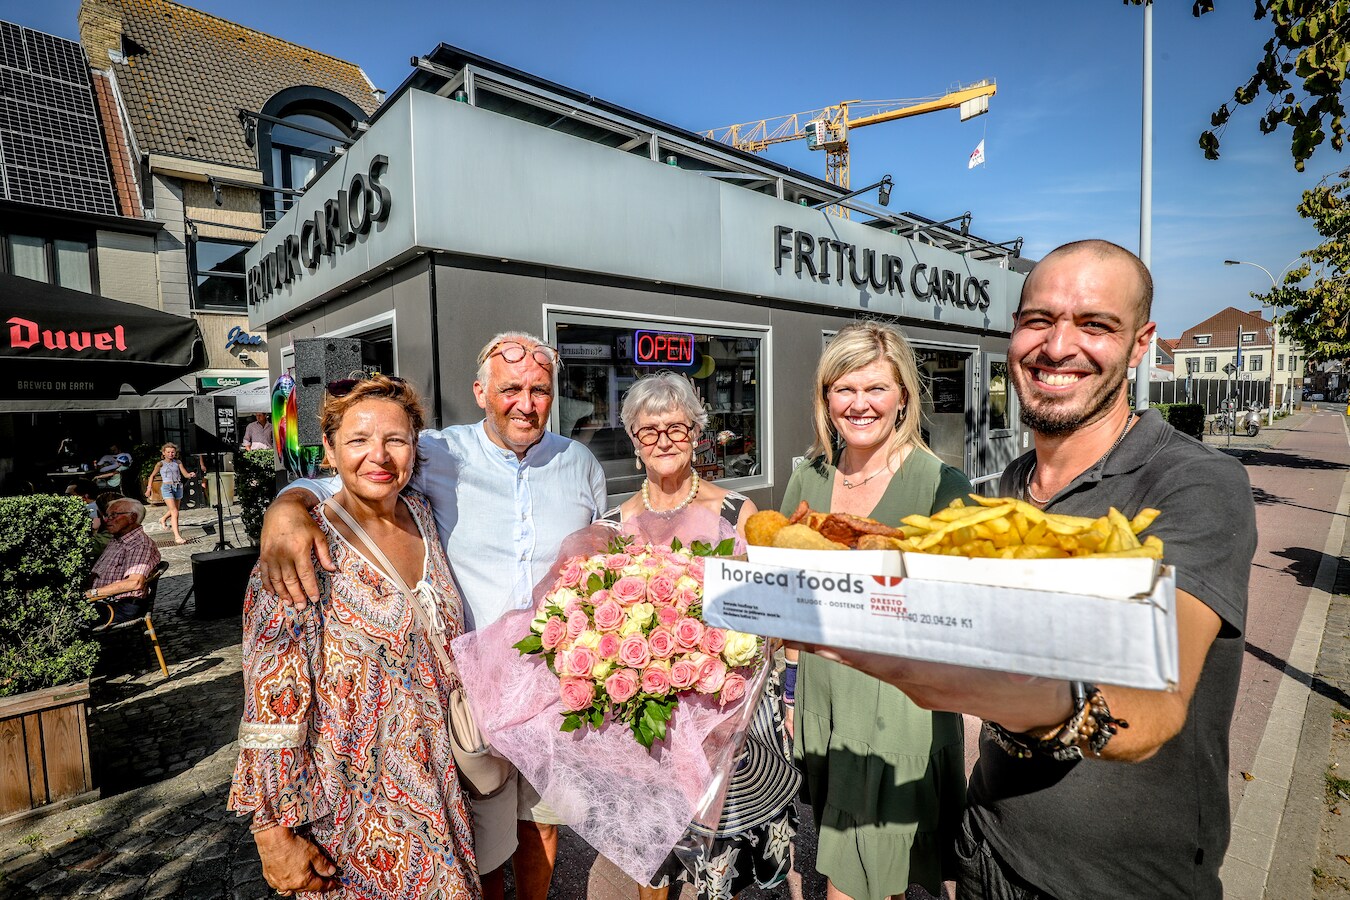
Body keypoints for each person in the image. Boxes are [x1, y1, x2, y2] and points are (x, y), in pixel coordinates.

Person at [796, 241, 1257, 899]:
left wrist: (955, 686)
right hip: (988, 851)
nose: (1058, 345)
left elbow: (1154, 704)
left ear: (1140, 343)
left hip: (1115, 885)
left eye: (1095, 324)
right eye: (1038, 319)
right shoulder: (1010, 487)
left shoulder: (1193, 484)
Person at [257, 331, 607, 900]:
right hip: (471, 700)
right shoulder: (436, 453)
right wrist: (285, 505)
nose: (526, 402)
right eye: (510, 388)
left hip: (555, 692)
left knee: (544, 826)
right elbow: (352, 475)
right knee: (486, 842)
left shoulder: (580, 462)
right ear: (479, 392)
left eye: (539, 389)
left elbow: (603, 539)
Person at [229, 373, 481, 899]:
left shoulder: (423, 516)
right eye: (359, 440)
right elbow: (272, 702)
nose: (379, 456)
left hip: (438, 787)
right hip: (350, 810)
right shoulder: (302, 546)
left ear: (415, 446)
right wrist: (272, 833)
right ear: (330, 450)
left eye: (395, 439)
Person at [779, 321, 969, 900]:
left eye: (876, 389)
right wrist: (790, 686)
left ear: (903, 397)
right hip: (823, 698)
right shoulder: (807, 477)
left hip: (896, 706)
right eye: (844, 389)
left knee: (854, 877)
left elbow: (958, 617)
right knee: (863, 866)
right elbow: (788, 597)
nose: (859, 404)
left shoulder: (942, 486)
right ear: (826, 398)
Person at [601, 371, 798, 900]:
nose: (663, 440)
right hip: (651, 724)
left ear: (697, 432)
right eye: (649, 430)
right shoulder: (614, 523)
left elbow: (771, 617)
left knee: (722, 869)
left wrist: (785, 690)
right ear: (633, 439)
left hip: (727, 718)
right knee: (654, 861)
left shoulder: (736, 514)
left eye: (677, 427)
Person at [82, 498, 161, 627]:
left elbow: (135, 583)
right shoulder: (117, 539)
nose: (107, 520)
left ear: (132, 517)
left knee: (63, 618)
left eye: (114, 515)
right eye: (107, 515)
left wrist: (93, 593)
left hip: (118, 606)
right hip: (104, 601)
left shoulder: (138, 544)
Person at [145, 442, 196, 545]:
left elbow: (185, 474)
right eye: (168, 452)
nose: (170, 454)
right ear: (164, 453)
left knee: (175, 510)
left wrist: (190, 474)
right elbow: (152, 476)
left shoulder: (178, 462)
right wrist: (149, 489)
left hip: (178, 487)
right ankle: (177, 537)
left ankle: (163, 519)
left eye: (172, 452)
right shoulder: (160, 464)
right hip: (167, 487)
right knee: (175, 512)